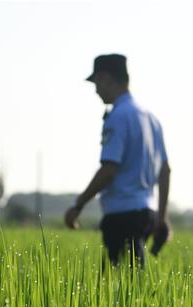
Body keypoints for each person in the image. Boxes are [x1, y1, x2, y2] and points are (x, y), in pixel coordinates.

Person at [64, 54, 172, 266]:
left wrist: (78, 205)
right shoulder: (151, 118)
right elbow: (165, 171)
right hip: (146, 214)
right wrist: (160, 218)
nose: (96, 90)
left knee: (118, 289)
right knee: (131, 284)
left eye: (96, 83)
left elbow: (109, 169)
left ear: (106, 78)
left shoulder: (119, 116)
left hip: (123, 217)